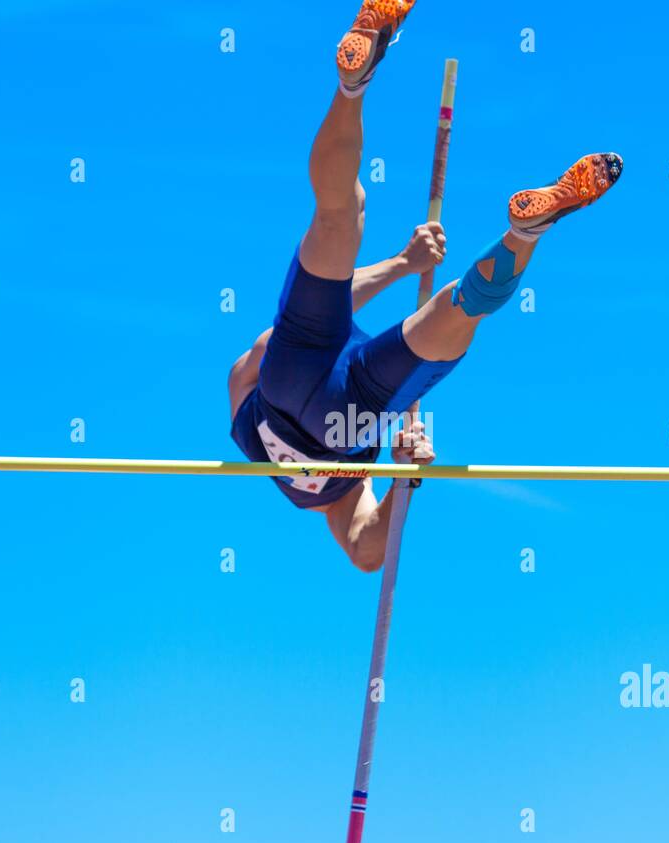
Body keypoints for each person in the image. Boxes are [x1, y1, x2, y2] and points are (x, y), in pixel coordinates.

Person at [229, 0, 622, 571]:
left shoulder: (321, 492)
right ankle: (351, 87)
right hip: (320, 393)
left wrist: (402, 264)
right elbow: (368, 551)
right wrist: (404, 477)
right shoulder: (335, 495)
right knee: (343, 218)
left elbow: (365, 552)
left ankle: (524, 234)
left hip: (327, 403)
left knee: (454, 313)